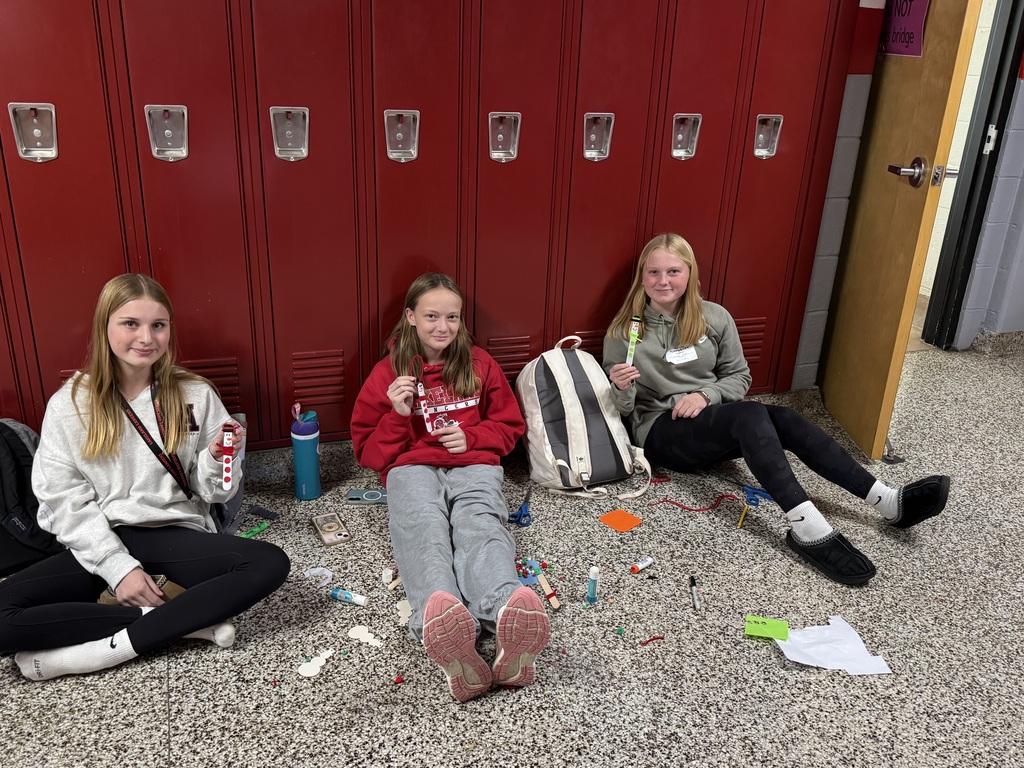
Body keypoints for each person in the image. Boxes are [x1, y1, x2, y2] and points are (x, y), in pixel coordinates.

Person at [603, 234, 950, 585]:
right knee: (751, 414)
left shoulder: (714, 317)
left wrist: (706, 395)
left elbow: (739, 377)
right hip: (662, 430)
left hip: (709, 420)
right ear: (642, 276)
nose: (663, 281)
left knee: (783, 417)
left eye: (673, 271)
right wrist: (622, 387)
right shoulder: (624, 331)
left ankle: (887, 501)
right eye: (654, 272)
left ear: (689, 273)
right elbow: (623, 411)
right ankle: (807, 527)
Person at [0, 274, 290, 680]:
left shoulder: (195, 394)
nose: (146, 337)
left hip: (175, 536)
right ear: (104, 327)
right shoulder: (71, 403)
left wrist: (215, 458)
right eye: (130, 324)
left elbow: (218, 492)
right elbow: (63, 500)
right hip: (103, 539)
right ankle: (182, 623)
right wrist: (119, 569)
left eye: (158, 325)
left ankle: (106, 651)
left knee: (270, 562)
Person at [350, 272, 550, 702]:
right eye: (431, 316)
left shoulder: (480, 364)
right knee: (423, 528)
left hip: (472, 463)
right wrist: (398, 414)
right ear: (410, 317)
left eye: (452, 317)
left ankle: (504, 606)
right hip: (411, 466)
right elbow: (368, 453)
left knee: (480, 523)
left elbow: (509, 427)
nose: (443, 327)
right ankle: (441, 618)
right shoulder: (387, 373)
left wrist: (472, 437)